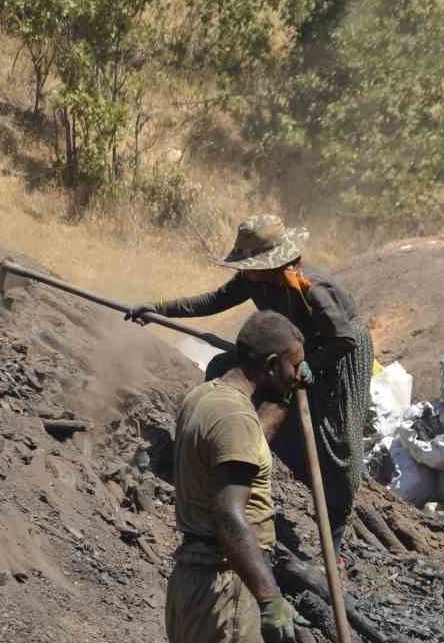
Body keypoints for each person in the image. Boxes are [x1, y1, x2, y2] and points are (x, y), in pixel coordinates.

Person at [128, 215, 373, 553]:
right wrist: (158, 310)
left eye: (249, 262)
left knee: (336, 441)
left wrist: (309, 365)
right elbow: (211, 302)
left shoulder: (309, 286)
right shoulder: (254, 280)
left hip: (335, 352)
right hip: (289, 349)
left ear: (271, 262)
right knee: (222, 368)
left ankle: (334, 536)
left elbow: (343, 337)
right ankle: (226, 447)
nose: (243, 269)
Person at [165, 310, 308, 643]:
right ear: (269, 364)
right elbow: (231, 515)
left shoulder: (207, 400)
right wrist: (268, 596)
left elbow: (246, 450)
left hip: (194, 574)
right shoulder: (231, 417)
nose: (296, 374)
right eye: (292, 366)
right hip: (224, 583)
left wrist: (280, 404)